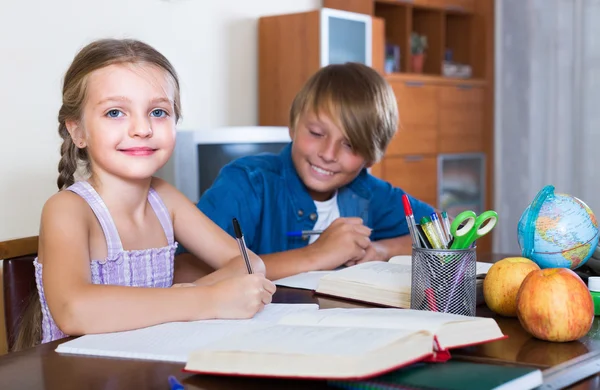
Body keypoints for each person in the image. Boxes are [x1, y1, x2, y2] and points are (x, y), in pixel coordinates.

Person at [17, 38, 275, 350]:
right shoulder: (67, 210)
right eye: (115, 112)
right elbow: (75, 309)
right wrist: (205, 299)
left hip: (152, 363)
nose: (142, 128)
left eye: (158, 111)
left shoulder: (164, 199)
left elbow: (249, 263)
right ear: (78, 131)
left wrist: (192, 298)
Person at [197, 62, 435, 280]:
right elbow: (185, 270)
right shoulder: (246, 183)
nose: (328, 154)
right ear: (293, 125)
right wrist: (317, 255)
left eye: (350, 144)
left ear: (371, 156)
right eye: (316, 133)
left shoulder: (369, 192)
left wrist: (382, 250)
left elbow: (450, 234)